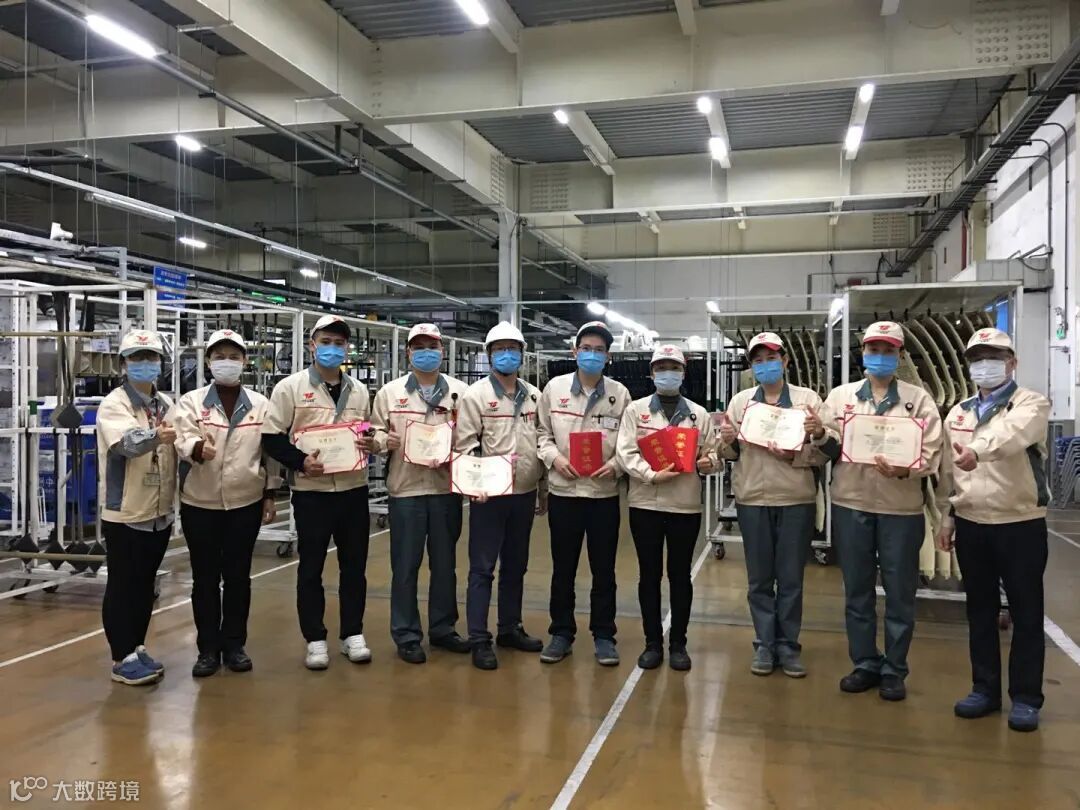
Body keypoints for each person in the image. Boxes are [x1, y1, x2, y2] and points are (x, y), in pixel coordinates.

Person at [812, 321, 942, 701]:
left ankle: (895, 669)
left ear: (900, 355)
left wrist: (905, 469)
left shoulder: (919, 400)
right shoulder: (841, 397)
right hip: (851, 503)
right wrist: (818, 435)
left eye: (888, 351)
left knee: (900, 593)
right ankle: (865, 662)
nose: (880, 356)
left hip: (901, 509)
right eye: (873, 350)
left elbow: (932, 452)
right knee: (857, 590)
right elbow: (829, 445)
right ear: (864, 353)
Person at [934, 328, 1050, 732]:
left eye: (994, 357)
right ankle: (984, 690)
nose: (985, 365)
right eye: (978, 358)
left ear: (1011, 363)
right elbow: (949, 472)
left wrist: (977, 452)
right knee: (979, 612)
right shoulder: (958, 413)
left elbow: (1012, 435)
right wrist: (947, 517)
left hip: (1020, 524)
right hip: (973, 524)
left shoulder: (1031, 403)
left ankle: (1026, 698)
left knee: (1026, 612)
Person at [262, 315, 374, 670]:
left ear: (347, 348)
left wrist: (369, 439)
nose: (332, 349)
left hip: (353, 489)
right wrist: (299, 462)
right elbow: (271, 437)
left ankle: (352, 634)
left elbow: (366, 428)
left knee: (354, 567)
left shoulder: (359, 390)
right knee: (311, 567)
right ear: (312, 345)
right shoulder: (290, 388)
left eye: (339, 343)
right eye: (326, 341)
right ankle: (315, 638)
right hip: (312, 493)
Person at [719, 332, 825, 678]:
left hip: (795, 498)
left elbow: (826, 454)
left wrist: (803, 447)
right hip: (753, 499)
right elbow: (730, 454)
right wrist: (727, 441)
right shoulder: (741, 403)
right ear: (752, 366)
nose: (765, 365)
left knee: (791, 579)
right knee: (760, 579)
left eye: (772, 358)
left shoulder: (808, 401)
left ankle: (788, 646)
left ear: (785, 361)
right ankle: (765, 643)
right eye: (758, 361)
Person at [173, 329, 278, 678]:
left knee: (238, 578)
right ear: (208, 361)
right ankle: (207, 649)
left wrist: (269, 494)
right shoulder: (191, 402)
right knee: (204, 580)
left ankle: (234, 645)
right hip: (199, 503)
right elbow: (180, 437)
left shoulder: (261, 405)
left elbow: (269, 455)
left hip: (245, 503)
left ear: (245, 361)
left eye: (234, 357)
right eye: (219, 357)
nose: (227, 363)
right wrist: (195, 448)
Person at [370, 323, 471, 664]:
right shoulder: (390, 393)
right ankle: (407, 634)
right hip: (406, 490)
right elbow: (373, 432)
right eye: (419, 347)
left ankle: (443, 629)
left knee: (445, 565)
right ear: (408, 353)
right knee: (405, 567)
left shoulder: (460, 392)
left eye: (432, 346)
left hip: (445, 490)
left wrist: (457, 453)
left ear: (442, 351)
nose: (426, 352)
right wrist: (384, 441)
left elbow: (471, 438)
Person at [616, 344, 719, 672]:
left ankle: (678, 644)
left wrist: (709, 462)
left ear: (683, 373)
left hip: (685, 506)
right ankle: (652, 643)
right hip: (645, 503)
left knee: (680, 575)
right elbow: (625, 453)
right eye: (661, 368)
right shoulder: (636, 411)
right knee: (649, 575)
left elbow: (714, 454)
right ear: (651, 373)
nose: (667, 373)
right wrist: (650, 475)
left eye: (673, 368)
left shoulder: (699, 415)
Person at [537, 321, 631, 667]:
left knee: (604, 570)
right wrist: (555, 459)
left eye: (599, 350)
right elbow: (541, 434)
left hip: (603, 496)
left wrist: (617, 465)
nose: (592, 355)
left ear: (608, 356)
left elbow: (629, 442)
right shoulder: (554, 389)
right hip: (564, 493)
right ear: (574, 352)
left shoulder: (619, 394)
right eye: (586, 349)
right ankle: (561, 633)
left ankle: (604, 635)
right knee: (563, 569)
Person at [455, 321, 547, 671]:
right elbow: (465, 446)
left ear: (522, 354)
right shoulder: (476, 395)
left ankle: (510, 628)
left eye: (513, 349)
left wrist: (542, 489)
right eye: (499, 349)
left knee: (516, 566)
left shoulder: (534, 395)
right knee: (482, 568)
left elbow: (541, 441)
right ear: (489, 354)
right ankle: (479, 638)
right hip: (489, 497)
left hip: (524, 493)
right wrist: (473, 486)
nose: (507, 354)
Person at [96, 329, 177, 685]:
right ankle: (121, 656)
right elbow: (125, 444)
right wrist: (156, 436)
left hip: (159, 511)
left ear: (161, 363)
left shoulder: (166, 404)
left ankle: (137, 645)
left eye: (151, 357)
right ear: (124, 365)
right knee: (122, 584)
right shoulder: (115, 404)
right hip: (125, 511)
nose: (145, 363)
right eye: (137, 358)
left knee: (145, 584)